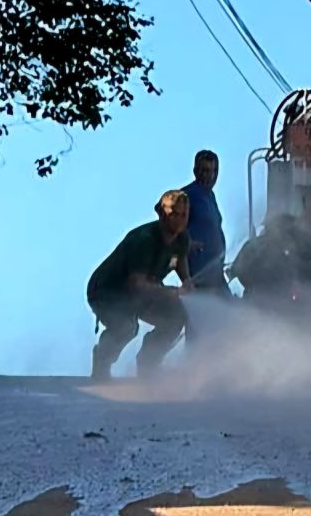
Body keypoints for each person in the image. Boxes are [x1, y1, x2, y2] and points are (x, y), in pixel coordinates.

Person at [87, 190, 195, 379]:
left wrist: (186, 280)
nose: (180, 220)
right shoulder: (144, 239)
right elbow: (136, 284)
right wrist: (169, 292)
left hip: (141, 293)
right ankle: (102, 362)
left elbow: (178, 259)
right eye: (174, 214)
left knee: (176, 316)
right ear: (161, 213)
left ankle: (148, 363)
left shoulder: (182, 238)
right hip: (106, 292)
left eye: (184, 215)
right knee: (126, 326)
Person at [182, 150, 231, 300]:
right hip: (200, 275)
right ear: (195, 171)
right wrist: (187, 244)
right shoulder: (187, 195)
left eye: (213, 171)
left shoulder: (210, 196)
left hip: (216, 274)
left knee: (234, 308)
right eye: (204, 170)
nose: (209, 176)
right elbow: (172, 230)